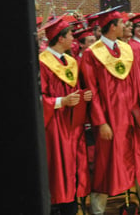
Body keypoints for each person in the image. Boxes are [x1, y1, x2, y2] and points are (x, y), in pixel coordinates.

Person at [80, 8, 140, 215]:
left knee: (139, 155)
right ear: (113, 26)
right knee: (107, 161)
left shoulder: (126, 49)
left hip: (132, 115)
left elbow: (139, 82)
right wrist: (101, 122)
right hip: (110, 118)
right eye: (123, 24)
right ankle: (97, 209)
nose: (127, 27)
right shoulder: (92, 54)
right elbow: (92, 90)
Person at [39, 18, 91, 215]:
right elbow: (39, 98)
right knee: (58, 170)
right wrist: (62, 101)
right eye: (70, 35)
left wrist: (82, 96)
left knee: (74, 169)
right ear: (60, 39)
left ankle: (71, 206)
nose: (73, 39)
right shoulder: (42, 63)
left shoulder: (70, 62)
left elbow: (74, 92)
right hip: (54, 125)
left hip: (72, 125)